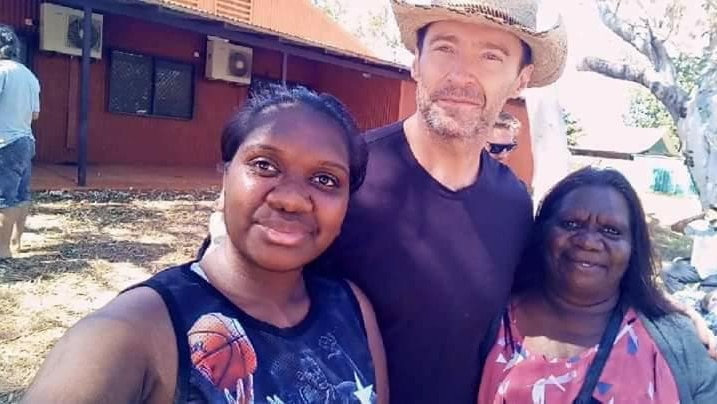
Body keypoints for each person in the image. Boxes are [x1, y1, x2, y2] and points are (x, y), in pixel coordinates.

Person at [23, 86, 388, 404]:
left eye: (325, 179)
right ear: (225, 175)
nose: (291, 199)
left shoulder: (351, 308)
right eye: (264, 165)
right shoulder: (133, 333)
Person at [308, 1, 567, 402]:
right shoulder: (344, 176)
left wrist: (664, 321)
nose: (462, 75)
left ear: (521, 80)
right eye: (445, 47)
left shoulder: (514, 204)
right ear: (416, 60)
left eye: (491, 56)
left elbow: (550, 304)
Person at [477, 167, 717, 403]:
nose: (589, 242)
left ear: (633, 247)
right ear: (543, 231)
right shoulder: (488, 324)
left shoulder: (676, 340)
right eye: (571, 224)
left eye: (611, 231)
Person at [0, 24, 40, 258]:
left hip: (5, 141)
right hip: (26, 140)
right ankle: (16, 242)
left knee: (4, 197)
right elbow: (35, 114)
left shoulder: (1, 71)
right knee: (22, 194)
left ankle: (3, 251)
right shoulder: (30, 76)